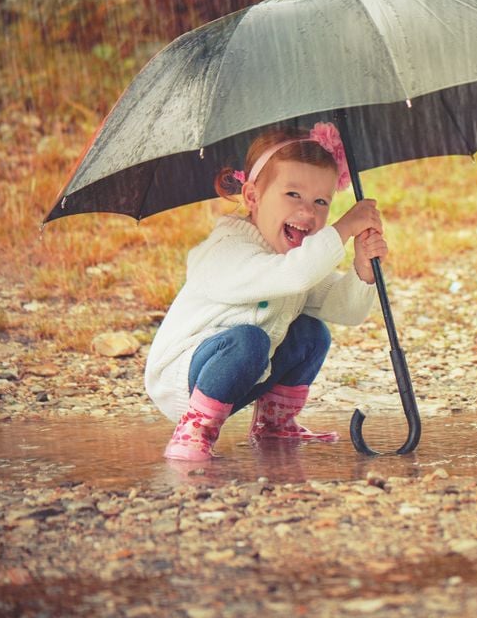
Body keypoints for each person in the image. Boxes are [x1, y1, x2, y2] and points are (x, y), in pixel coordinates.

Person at [144, 122, 386, 461]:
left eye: (321, 201)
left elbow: (346, 310)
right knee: (250, 340)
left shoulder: (292, 258)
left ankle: (274, 424)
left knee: (311, 332)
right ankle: (194, 429)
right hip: (186, 380)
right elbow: (295, 276)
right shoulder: (227, 250)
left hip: (246, 374)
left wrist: (363, 269)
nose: (308, 212)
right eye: (293, 195)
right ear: (252, 196)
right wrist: (343, 228)